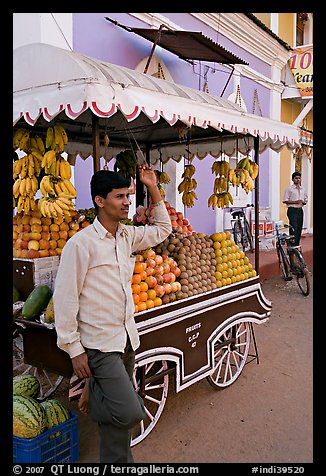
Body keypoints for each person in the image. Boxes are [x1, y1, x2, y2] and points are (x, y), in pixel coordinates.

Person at [53, 164, 172, 463]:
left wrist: (152, 186)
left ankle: (118, 461)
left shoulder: (126, 237)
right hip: (100, 344)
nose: (126, 202)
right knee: (130, 411)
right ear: (99, 201)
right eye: (119, 196)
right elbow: (65, 301)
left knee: (116, 424)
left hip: (126, 339)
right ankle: (95, 392)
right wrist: (74, 350)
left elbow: (163, 229)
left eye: (127, 196)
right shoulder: (80, 245)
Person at [282, 171, 308, 246]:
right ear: (293, 179)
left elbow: (306, 199)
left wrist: (303, 202)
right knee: (293, 228)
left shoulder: (303, 189)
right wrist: (295, 202)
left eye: (299, 178)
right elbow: (285, 201)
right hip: (292, 210)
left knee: (299, 228)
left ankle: (297, 245)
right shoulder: (289, 189)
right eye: (296, 178)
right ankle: (291, 245)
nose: (298, 180)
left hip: (300, 210)